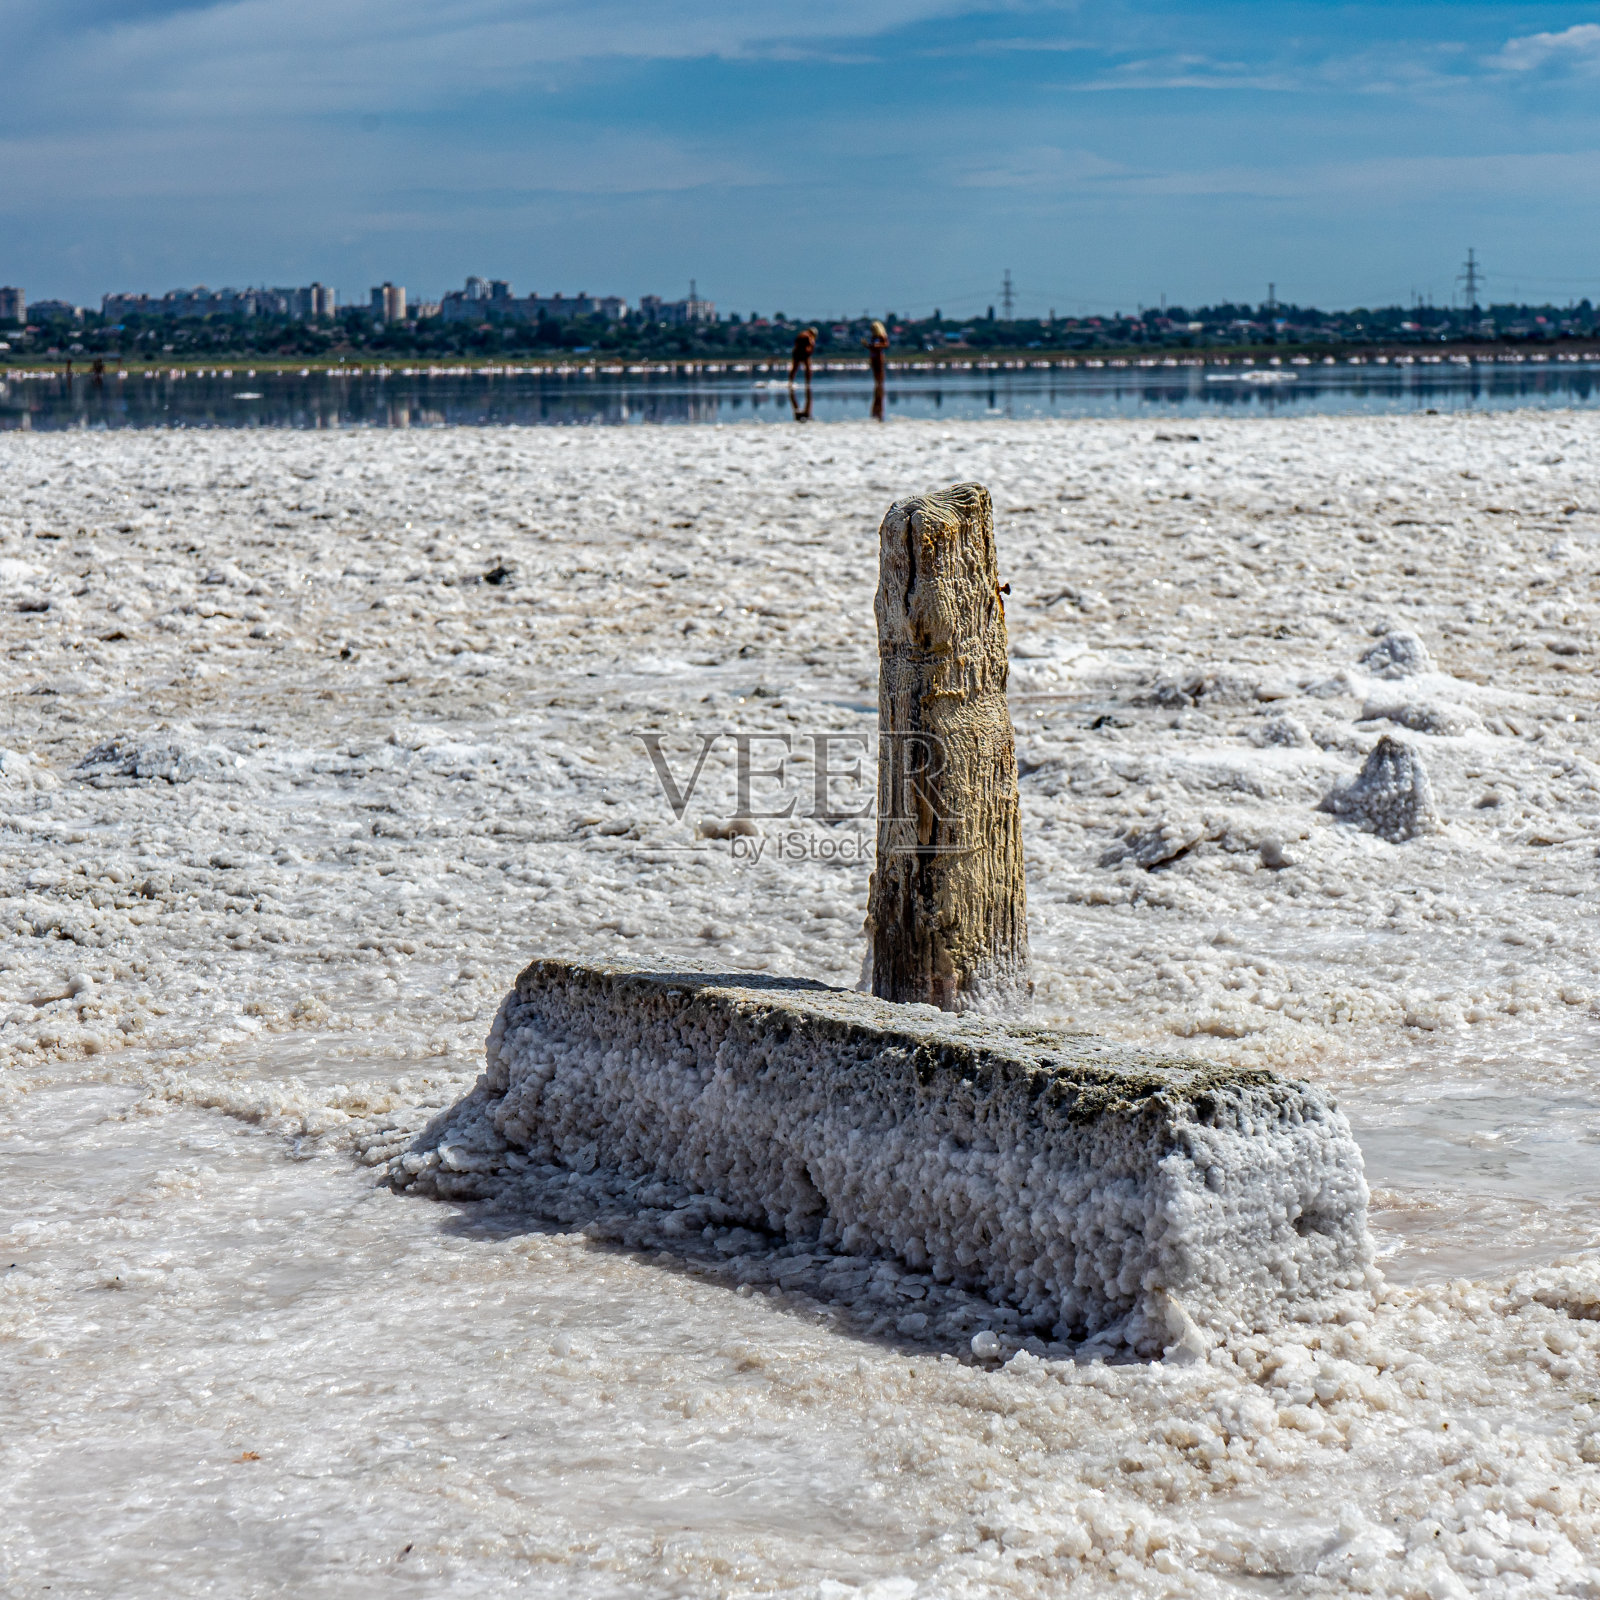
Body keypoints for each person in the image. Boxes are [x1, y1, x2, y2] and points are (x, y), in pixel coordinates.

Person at [865, 320, 889, 420]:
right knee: (876, 379)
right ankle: (875, 408)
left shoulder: (881, 336)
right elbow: (873, 347)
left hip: (879, 358)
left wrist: (876, 346)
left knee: (880, 379)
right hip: (873, 358)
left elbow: (886, 344)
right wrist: (868, 346)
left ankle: (879, 408)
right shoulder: (873, 337)